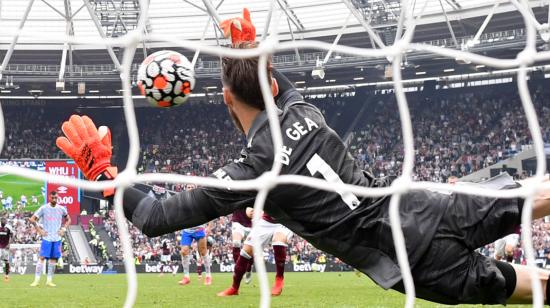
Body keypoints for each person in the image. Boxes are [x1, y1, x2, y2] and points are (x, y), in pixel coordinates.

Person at [54, 17, 550, 306]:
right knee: (524, 199)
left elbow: (157, 218)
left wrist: (105, 177)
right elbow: (273, 82)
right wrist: (249, 52)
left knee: (530, 288)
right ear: (272, 83)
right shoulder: (303, 109)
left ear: (226, 100)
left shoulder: (252, 174)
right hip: (420, 206)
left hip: (407, 261)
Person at [218, 213, 292, 296]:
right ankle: (234, 288)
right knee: (246, 251)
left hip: (285, 220)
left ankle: (279, 278)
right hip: (266, 220)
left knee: (278, 240)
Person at [29, 190, 71, 287]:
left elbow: (69, 219)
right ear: (49, 198)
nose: (54, 199)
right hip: (47, 238)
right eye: (53, 198)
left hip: (57, 238)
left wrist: (63, 229)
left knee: (53, 260)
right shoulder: (44, 208)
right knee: (42, 258)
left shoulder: (61, 209)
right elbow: (32, 219)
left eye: (56, 197)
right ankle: (36, 280)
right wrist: (40, 231)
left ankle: (49, 280)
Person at [177, 184, 212, 286]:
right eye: (188, 187)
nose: (190, 188)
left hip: (199, 230)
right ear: (186, 189)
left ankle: (208, 275)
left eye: (192, 187)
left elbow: (211, 213)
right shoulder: (182, 200)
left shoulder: (201, 200)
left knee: (203, 253)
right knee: (183, 251)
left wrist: (209, 227)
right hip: (187, 231)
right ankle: (186, 277)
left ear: (195, 188)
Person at [231, 207, 253, 283]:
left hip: (252, 224)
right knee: (236, 243)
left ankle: (248, 269)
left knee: (250, 250)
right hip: (238, 221)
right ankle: (238, 270)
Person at [0, 217, 13, 282]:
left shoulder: (8, 228)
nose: (3, 221)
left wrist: (9, 244)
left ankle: (6, 275)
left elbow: (12, 236)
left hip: (5, 247)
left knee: (6, 261)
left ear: (5, 222)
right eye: (2, 220)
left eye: (4, 220)